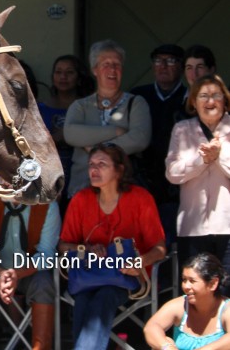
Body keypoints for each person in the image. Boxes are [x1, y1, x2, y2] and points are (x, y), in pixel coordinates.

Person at [59, 143, 167, 349]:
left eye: (102, 164)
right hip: (88, 276)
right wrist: (87, 249)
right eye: (91, 164)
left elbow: (160, 248)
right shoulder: (81, 200)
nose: (94, 169)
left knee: (104, 297)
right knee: (83, 301)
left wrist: (140, 261)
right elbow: (63, 245)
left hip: (126, 277)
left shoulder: (140, 198)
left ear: (119, 169)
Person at [0, 190, 61, 350]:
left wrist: (18, 273)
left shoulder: (48, 205)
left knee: (44, 284)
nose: (7, 183)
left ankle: (41, 346)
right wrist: (1, 273)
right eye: (3, 177)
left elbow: (47, 254)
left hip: (30, 273)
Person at [63, 39, 151, 197]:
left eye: (117, 64)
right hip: (82, 191)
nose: (112, 69)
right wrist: (116, 131)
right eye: (106, 64)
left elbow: (140, 138)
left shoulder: (136, 103)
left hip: (123, 193)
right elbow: (70, 133)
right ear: (95, 70)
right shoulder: (80, 106)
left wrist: (94, 149)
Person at [165, 74, 230, 275]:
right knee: (195, 291)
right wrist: (202, 160)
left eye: (216, 95)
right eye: (203, 96)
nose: (210, 101)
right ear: (193, 101)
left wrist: (219, 157)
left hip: (227, 226)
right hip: (192, 227)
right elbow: (172, 173)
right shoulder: (182, 129)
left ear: (225, 100)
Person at [131, 44, 187, 240]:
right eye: (158, 61)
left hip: (178, 186)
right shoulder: (138, 96)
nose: (163, 66)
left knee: (174, 244)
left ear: (181, 66)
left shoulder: (189, 99)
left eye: (170, 61)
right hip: (143, 180)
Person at [37, 55, 94, 208]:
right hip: (49, 169)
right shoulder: (40, 108)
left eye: (69, 72)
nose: (63, 77)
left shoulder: (88, 107)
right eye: (58, 72)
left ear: (79, 77)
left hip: (81, 170)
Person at [144, 252, 230, 349]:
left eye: (192, 281)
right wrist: (167, 346)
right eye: (184, 280)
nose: (186, 286)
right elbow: (151, 327)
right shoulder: (180, 305)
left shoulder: (227, 309)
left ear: (213, 284)